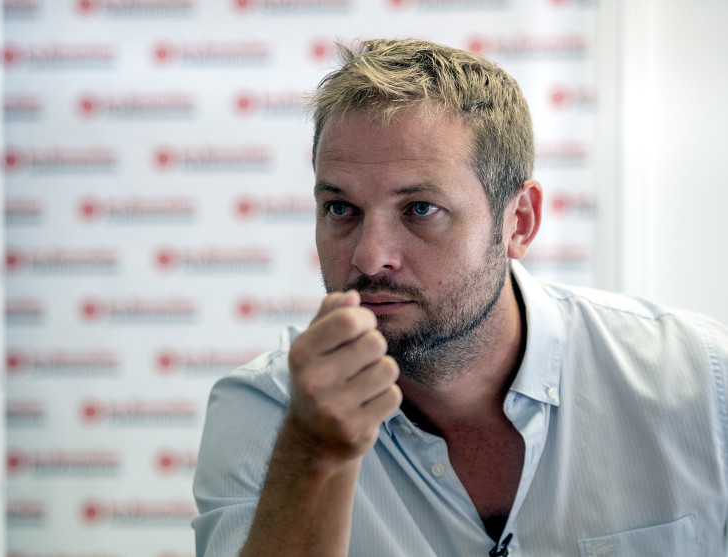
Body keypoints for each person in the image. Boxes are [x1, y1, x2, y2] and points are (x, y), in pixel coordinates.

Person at [191, 38, 728, 556]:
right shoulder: (266, 410)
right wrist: (313, 456)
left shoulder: (700, 380)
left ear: (519, 221)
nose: (369, 257)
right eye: (340, 209)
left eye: (421, 209)